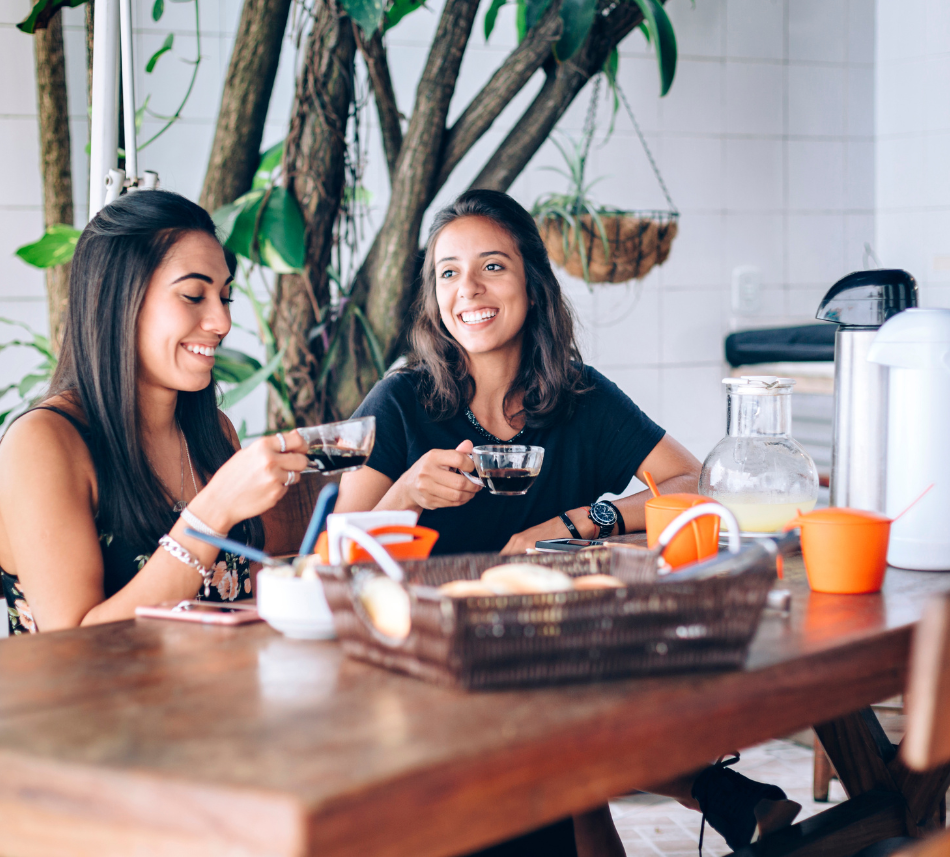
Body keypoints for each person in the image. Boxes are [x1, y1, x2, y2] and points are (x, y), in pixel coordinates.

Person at [336, 189, 800, 856]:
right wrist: (406, 492)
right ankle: (709, 788)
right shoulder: (404, 403)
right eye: (447, 272)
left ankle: (711, 791)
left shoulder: (578, 397)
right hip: (426, 667)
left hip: (554, 659)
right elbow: (333, 556)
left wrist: (588, 519)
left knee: (571, 697)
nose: (467, 288)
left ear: (531, 281)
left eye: (492, 266)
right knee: (560, 735)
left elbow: (698, 483)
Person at [0, 190, 309, 634]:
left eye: (225, 297)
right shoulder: (44, 444)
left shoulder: (211, 431)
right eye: (192, 295)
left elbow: (242, 593)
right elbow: (73, 644)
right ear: (118, 299)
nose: (221, 322)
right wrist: (212, 512)